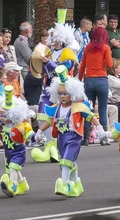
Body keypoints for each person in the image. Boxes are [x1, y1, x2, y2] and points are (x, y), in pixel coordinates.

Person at [35, 65, 107, 197]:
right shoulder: (56, 107)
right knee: (68, 161)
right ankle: (76, 184)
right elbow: (50, 120)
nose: (62, 96)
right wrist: (40, 131)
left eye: (65, 93)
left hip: (74, 137)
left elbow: (90, 117)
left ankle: (64, 183)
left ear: (72, 93)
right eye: (60, 93)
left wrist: (100, 128)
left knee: (66, 160)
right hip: (61, 137)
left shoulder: (78, 106)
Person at [31, 16, 80, 160]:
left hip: (62, 89)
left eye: (52, 35)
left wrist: (50, 63)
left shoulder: (68, 52)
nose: (49, 38)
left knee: (58, 117)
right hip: (47, 87)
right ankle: (49, 147)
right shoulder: (49, 52)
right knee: (42, 114)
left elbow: (65, 69)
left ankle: (57, 148)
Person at [0, 85, 35, 197]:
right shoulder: (2, 126)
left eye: (5, 115)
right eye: (1, 115)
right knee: (12, 169)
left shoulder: (20, 125)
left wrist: (37, 137)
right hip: (7, 152)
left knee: (13, 168)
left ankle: (12, 185)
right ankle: (22, 184)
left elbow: (30, 134)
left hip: (18, 152)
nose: (3, 118)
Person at [78, 27, 113, 145]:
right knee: (103, 109)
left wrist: (79, 80)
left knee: (88, 110)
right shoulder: (106, 48)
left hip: (88, 81)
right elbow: (110, 64)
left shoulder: (88, 48)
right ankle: (103, 138)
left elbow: (82, 65)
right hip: (102, 80)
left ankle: (86, 138)